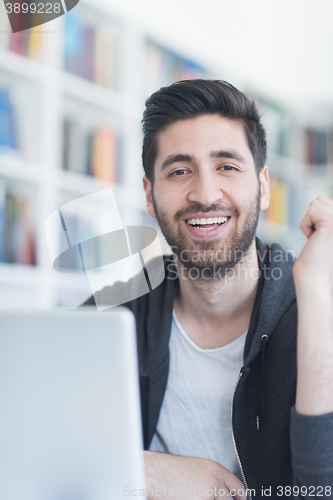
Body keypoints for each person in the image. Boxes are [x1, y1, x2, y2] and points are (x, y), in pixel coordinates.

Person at [82, 80, 333, 499]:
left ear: (264, 185)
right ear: (150, 194)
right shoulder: (116, 313)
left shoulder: (317, 307)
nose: (205, 193)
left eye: (228, 166)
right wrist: (147, 470)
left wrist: (319, 297)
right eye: (180, 171)